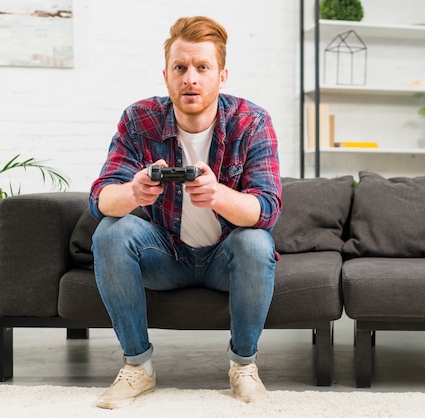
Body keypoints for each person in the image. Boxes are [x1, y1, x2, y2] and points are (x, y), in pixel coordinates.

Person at [89, 16, 282, 409]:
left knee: (256, 242)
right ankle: (138, 367)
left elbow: (266, 209)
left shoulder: (251, 121)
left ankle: (243, 365)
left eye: (202, 68)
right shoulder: (139, 119)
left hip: (224, 258)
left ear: (221, 76)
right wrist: (134, 192)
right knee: (110, 232)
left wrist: (218, 195)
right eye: (180, 68)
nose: (190, 78)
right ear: (166, 75)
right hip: (168, 256)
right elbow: (100, 199)